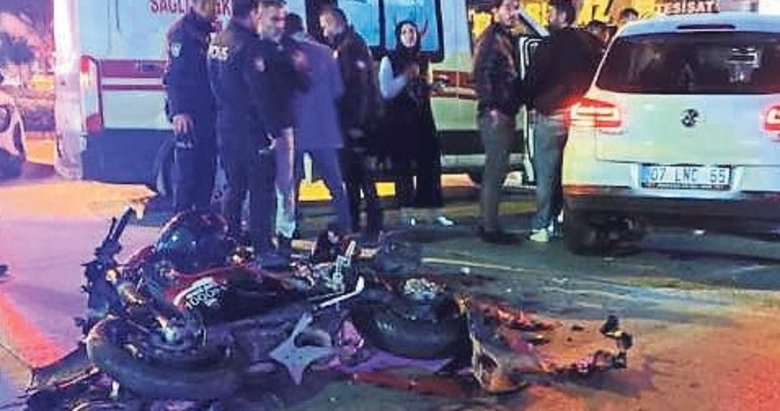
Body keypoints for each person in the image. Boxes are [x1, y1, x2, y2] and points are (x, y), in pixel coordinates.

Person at [522, 0, 602, 243]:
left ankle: (542, 224)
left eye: (551, 12)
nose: (548, 17)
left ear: (562, 15)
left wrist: (529, 102)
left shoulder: (549, 44)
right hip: (582, 116)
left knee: (546, 172)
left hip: (551, 113)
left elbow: (533, 78)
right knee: (576, 174)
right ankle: (571, 221)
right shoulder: (591, 43)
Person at [207, 0, 276, 260]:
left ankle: (230, 243)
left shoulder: (218, 40)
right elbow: (259, 93)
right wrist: (272, 130)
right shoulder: (250, 45)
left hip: (226, 124)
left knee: (234, 187)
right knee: (260, 189)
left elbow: (213, 82)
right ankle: (262, 248)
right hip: (251, 128)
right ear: (254, 12)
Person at [378, 20, 454, 227]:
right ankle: (407, 213)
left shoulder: (423, 59)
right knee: (403, 168)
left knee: (430, 165)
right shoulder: (389, 60)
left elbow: (423, 87)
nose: (409, 35)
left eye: (412, 31)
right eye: (404, 32)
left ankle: (432, 212)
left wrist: (433, 87)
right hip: (401, 121)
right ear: (398, 36)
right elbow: (386, 92)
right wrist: (405, 77)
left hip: (423, 118)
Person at [284, 13, 353, 234]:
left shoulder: (285, 52)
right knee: (335, 184)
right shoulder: (326, 52)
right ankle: (346, 226)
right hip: (324, 129)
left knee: (291, 184)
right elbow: (338, 90)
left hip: (295, 131)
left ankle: (290, 229)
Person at [319, 6, 383, 240]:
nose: (324, 32)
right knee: (354, 174)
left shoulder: (351, 47)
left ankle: (371, 222)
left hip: (355, 123)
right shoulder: (348, 45)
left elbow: (358, 90)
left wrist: (356, 124)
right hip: (353, 122)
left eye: (325, 26)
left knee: (362, 174)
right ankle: (356, 220)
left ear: (334, 22)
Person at [255, 0, 310, 258]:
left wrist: (300, 68)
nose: (279, 25)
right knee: (258, 186)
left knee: (285, 185)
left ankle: (285, 235)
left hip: (285, 125)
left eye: (282, 19)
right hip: (257, 127)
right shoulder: (252, 46)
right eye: (274, 19)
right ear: (260, 17)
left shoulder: (288, 47)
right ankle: (259, 236)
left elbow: (303, 85)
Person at [472, 0, 523, 244]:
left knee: (497, 170)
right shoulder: (492, 38)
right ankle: (489, 227)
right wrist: (491, 106)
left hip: (503, 110)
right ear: (495, 10)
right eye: (509, 7)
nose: (514, 13)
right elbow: (481, 73)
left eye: (517, 7)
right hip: (496, 113)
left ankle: (490, 224)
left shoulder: (504, 37)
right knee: (494, 171)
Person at [163, 0, 219, 213]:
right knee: (188, 177)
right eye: (212, 4)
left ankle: (200, 222)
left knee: (207, 172)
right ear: (198, 4)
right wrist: (179, 111)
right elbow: (173, 76)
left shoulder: (207, 31)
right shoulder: (181, 33)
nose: (215, 8)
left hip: (208, 113)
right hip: (189, 117)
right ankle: (181, 221)